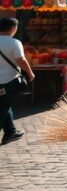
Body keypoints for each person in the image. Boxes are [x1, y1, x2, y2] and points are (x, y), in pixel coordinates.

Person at [0, 17, 34, 145]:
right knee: (4, 106)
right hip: (10, 80)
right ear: (13, 28)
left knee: (4, 105)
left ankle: (10, 132)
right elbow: (21, 60)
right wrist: (30, 73)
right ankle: (10, 132)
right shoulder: (14, 42)